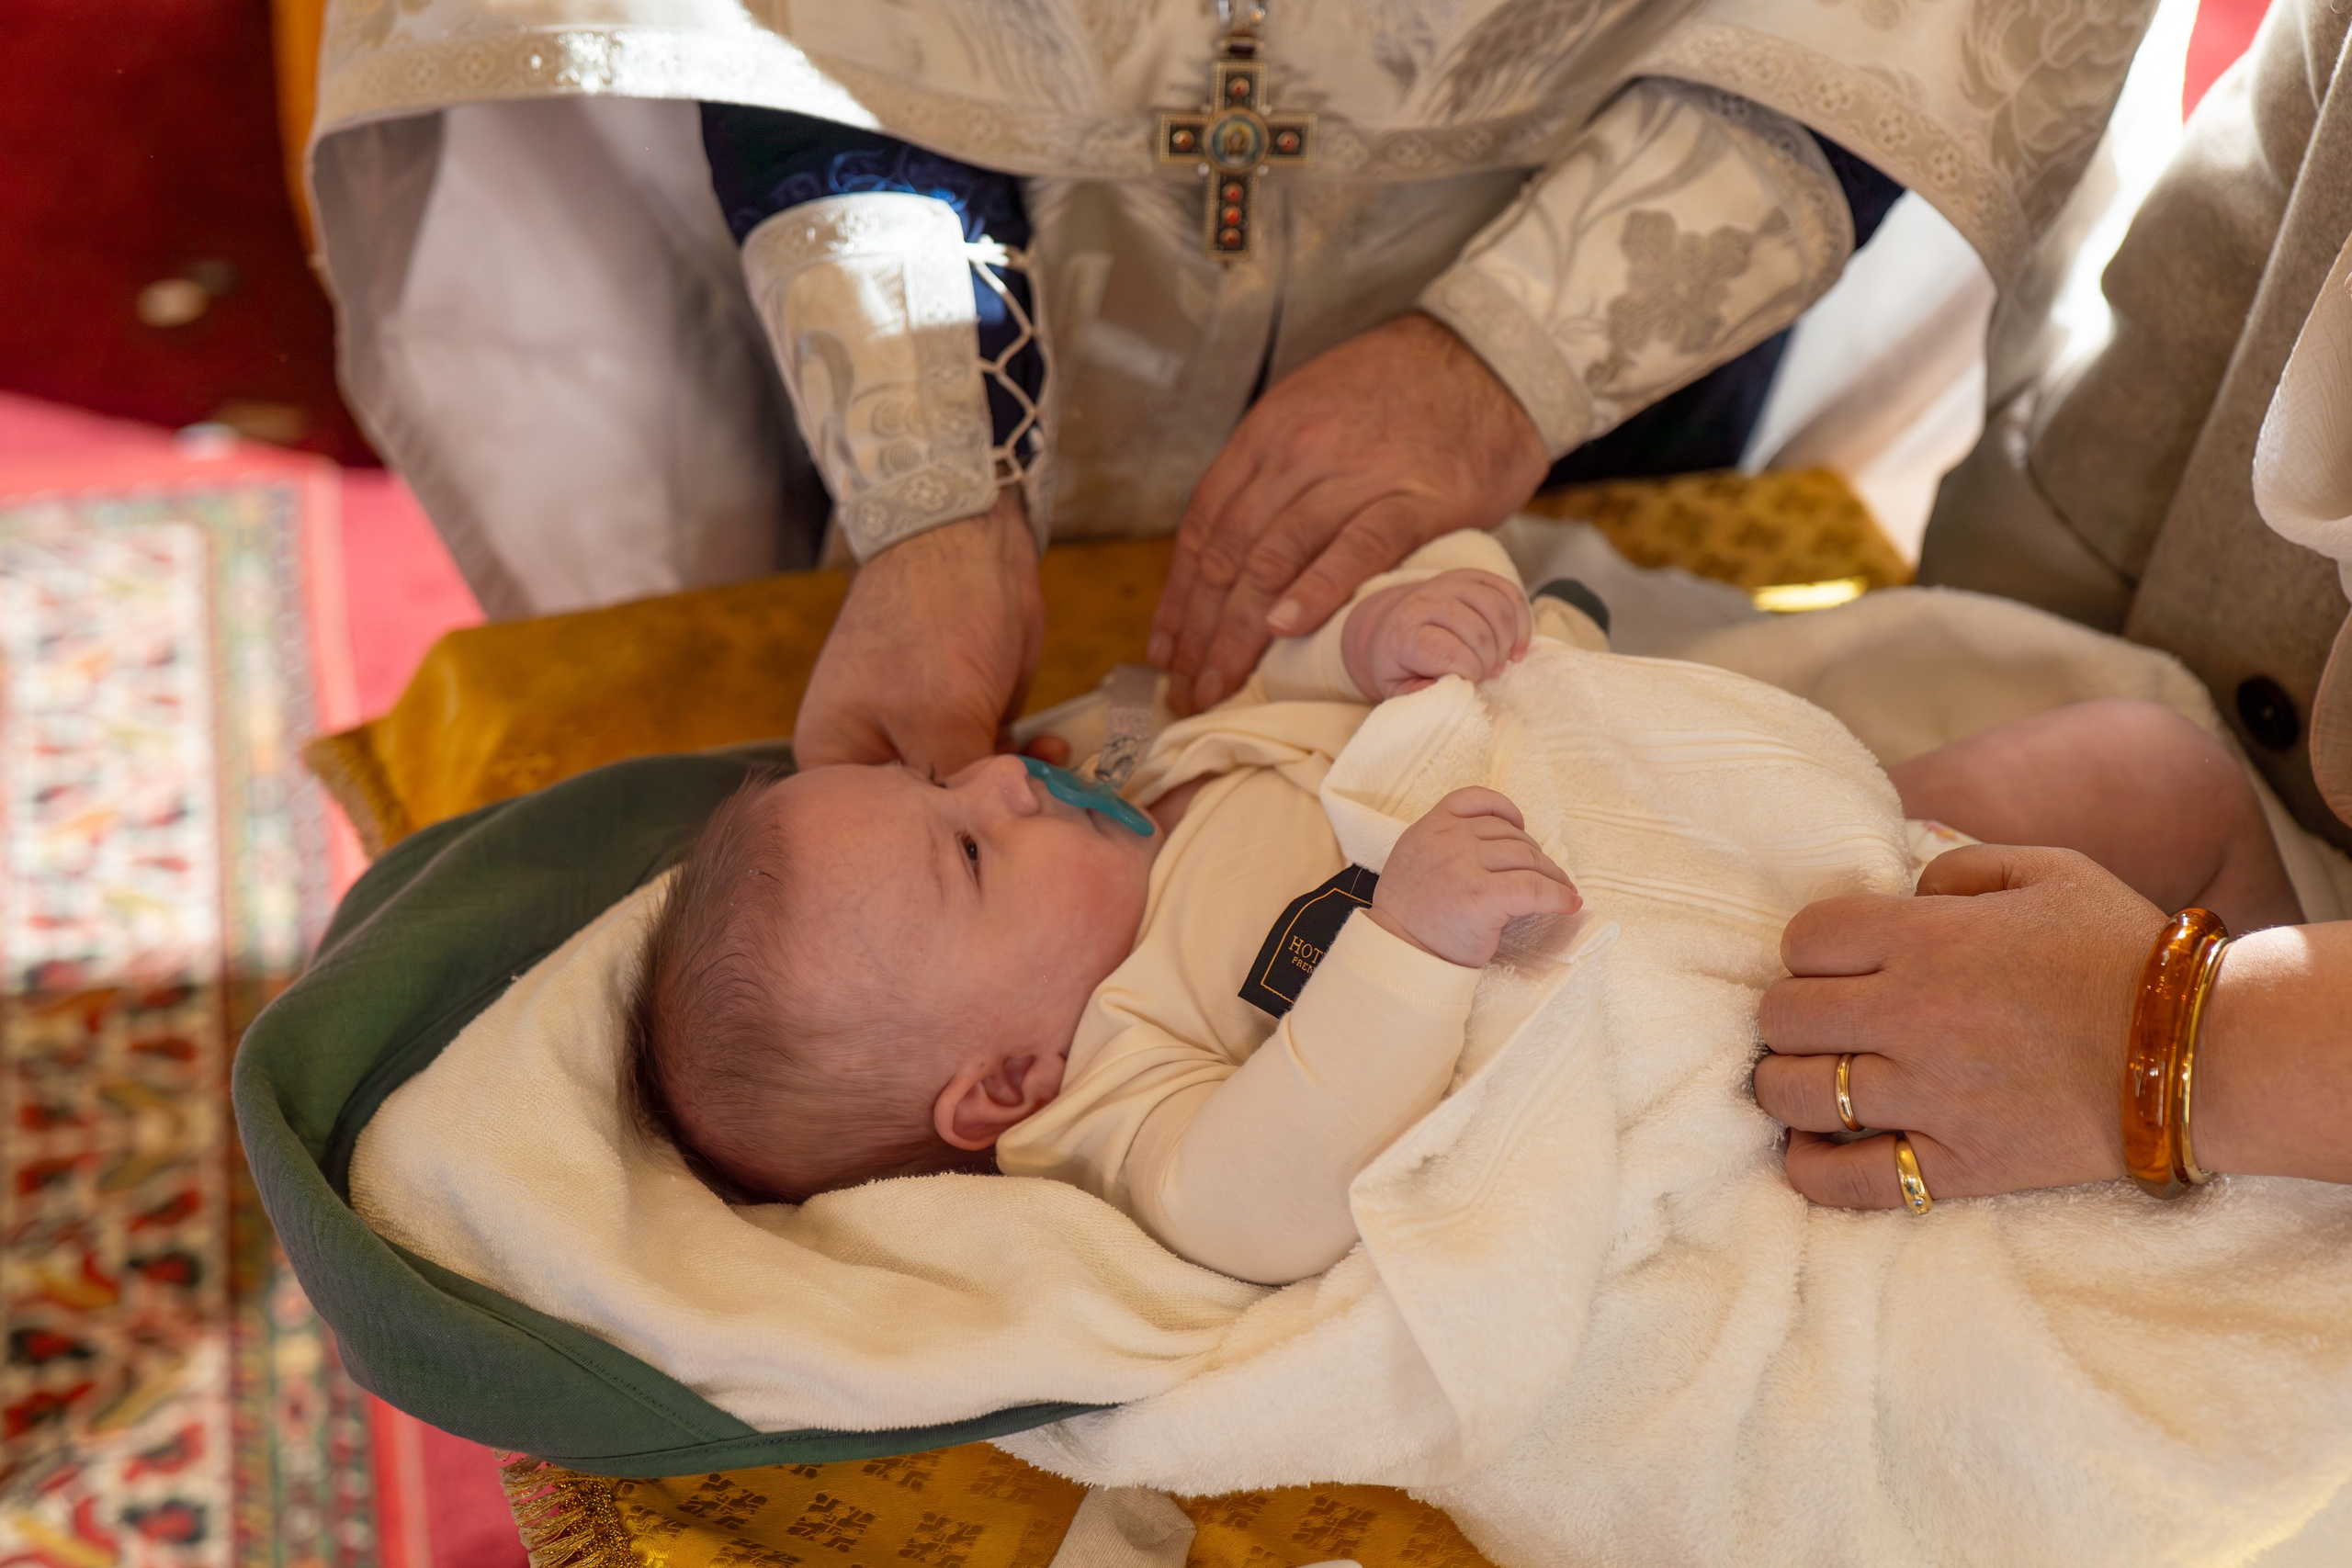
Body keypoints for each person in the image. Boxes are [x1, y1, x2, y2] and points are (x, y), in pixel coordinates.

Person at [306, 0, 2150, 773]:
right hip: (999, 254)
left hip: (1606, 241)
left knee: (1566, 671)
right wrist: (933, 495)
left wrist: (1514, 353)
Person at [624, 532, 2298, 1286]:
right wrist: (1401, 949)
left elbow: (1319, 681)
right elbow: (1254, 1206)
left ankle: (2281, 976)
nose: (999, 776)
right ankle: (2273, 1151)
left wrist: (1375, 639)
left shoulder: (1164, 772)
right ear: (1001, 1084)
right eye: (971, 855)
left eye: (946, 783)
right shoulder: (1116, 1081)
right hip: (1777, 997)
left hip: (1739, 821)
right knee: (2136, 820)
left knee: (2148, 769)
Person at [1755, 0, 2352, 1207]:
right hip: (2254, 826)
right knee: (2133, 766)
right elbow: (2184, 327)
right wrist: (1989, 644)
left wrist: (2158, 1039)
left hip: (2287, 1062)